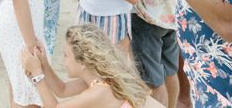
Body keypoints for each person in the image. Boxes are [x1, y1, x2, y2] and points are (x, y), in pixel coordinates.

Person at [20, 24, 156, 108]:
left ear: (82, 62)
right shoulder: (100, 79)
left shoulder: (99, 92)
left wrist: (37, 74)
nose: (63, 62)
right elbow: (63, 90)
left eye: (66, 56)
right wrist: (44, 64)